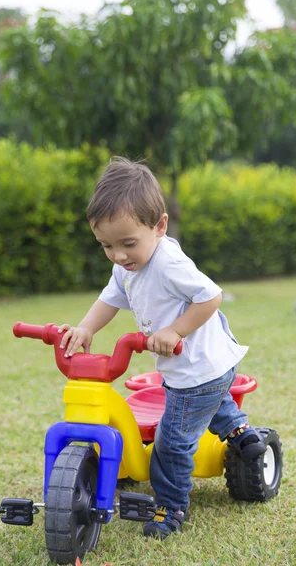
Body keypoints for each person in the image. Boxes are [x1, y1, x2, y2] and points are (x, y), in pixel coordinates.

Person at [58, 157, 266, 540]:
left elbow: (211, 296)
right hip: (200, 369)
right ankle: (239, 430)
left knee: (172, 441)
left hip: (198, 367)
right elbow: (111, 297)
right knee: (204, 404)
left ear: (160, 226)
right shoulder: (128, 266)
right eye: (106, 245)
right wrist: (86, 327)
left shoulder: (168, 262)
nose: (119, 255)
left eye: (128, 244)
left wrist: (174, 330)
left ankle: (171, 506)